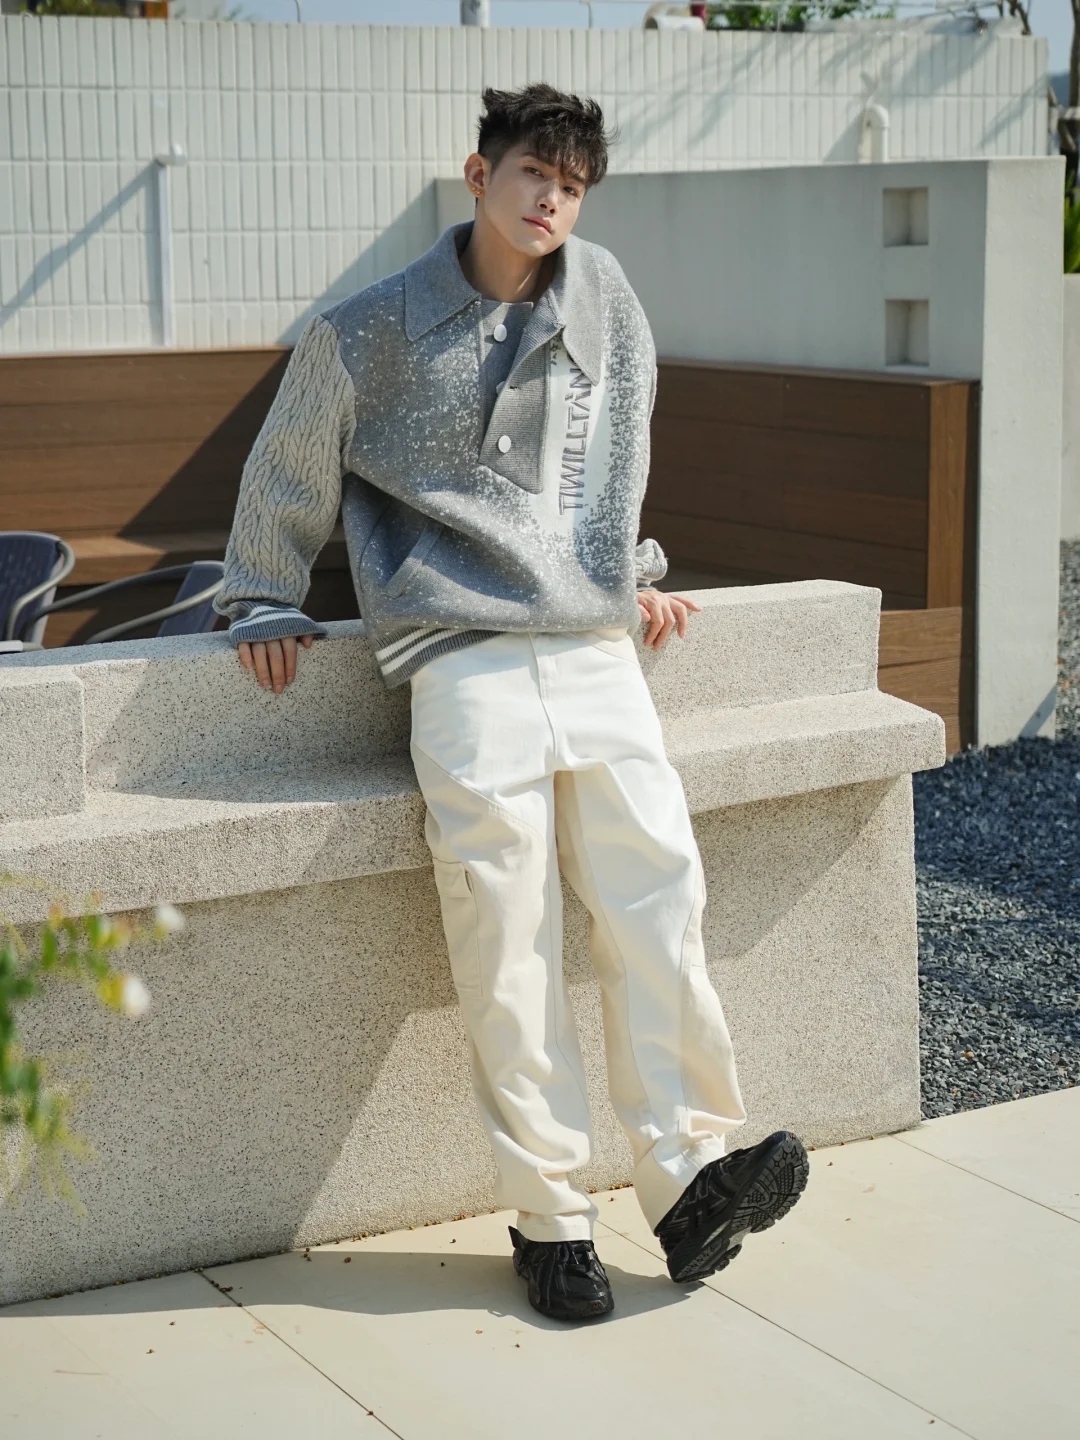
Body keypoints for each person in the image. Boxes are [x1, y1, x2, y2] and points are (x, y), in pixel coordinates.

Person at [213, 82, 809, 1323]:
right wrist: (262, 593)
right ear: (478, 173)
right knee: (506, 925)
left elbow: (619, 452)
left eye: (573, 184)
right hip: (459, 653)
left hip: (589, 641)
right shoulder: (368, 327)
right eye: (534, 171)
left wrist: (629, 573)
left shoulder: (606, 299)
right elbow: (291, 456)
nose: (552, 199)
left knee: (660, 892)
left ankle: (688, 1178)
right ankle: (551, 1220)